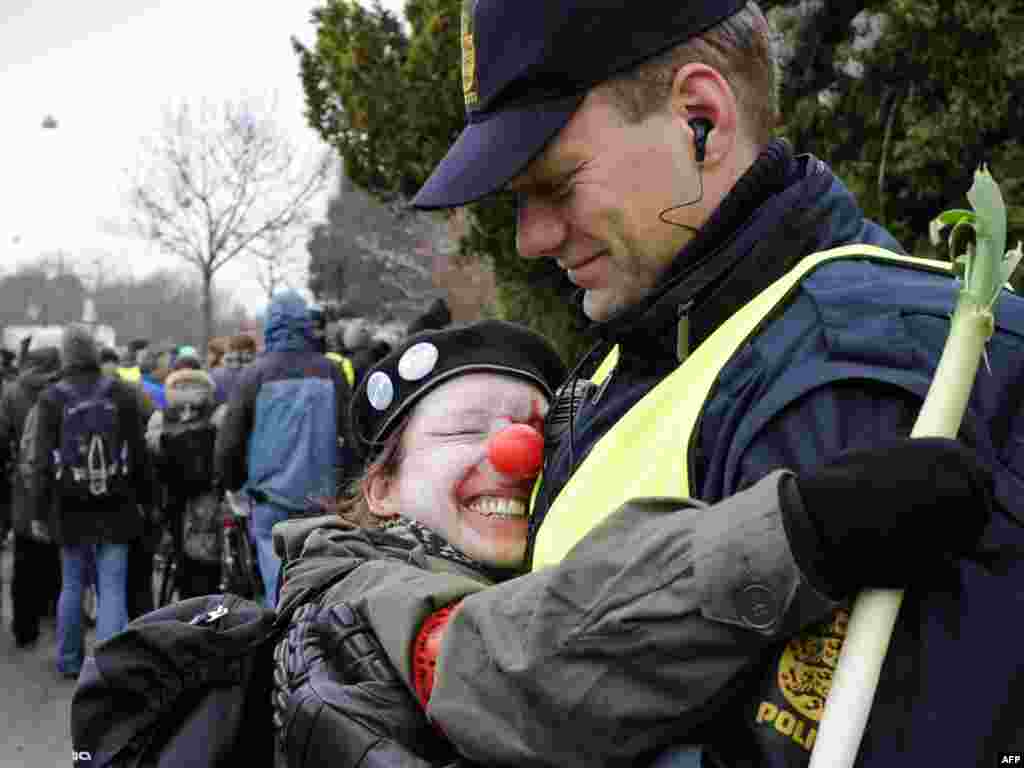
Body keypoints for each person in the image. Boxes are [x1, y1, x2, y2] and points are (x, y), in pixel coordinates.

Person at [307, 2, 1024, 767]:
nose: (528, 238)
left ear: (700, 120)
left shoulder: (849, 375)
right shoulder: (646, 346)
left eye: (554, 183)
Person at [270, 319, 567, 767]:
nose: (518, 456)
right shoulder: (361, 594)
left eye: (540, 434)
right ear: (382, 489)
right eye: (465, 430)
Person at [214, 290, 353, 609]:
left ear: (270, 326)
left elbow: (230, 441)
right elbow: (352, 437)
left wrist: (233, 485)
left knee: (276, 586)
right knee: (321, 583)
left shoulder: (254, 375)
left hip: (269, 500)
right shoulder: (331, 372)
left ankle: (280, 648)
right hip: (323, 500)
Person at [27, 325, 152, 679]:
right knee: (112, 588)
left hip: (69, 504)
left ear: (65, 354)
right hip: (117, 502)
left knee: (71, 585)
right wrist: (147, 498)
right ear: (95, 352)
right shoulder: (121, 393)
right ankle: (109, 667)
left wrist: (38, 509)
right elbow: (139, 454)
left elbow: (40, 461)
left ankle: (69, 661)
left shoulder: (52, 398)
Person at [0, 346, 62, 648]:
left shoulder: (12, 393)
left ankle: (25, 626)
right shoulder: (63, 391)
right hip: (61, 484)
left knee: (24, 557)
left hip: (25, 484)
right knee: (58, 556)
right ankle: (54, 611)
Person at [146, 365, 224, 599]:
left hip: (174, 495)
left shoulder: (162, 416)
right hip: (210, 492)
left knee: (181, 548)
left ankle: (185, 596)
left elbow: (151, 451)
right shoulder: (218, 413)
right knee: (209, 546)